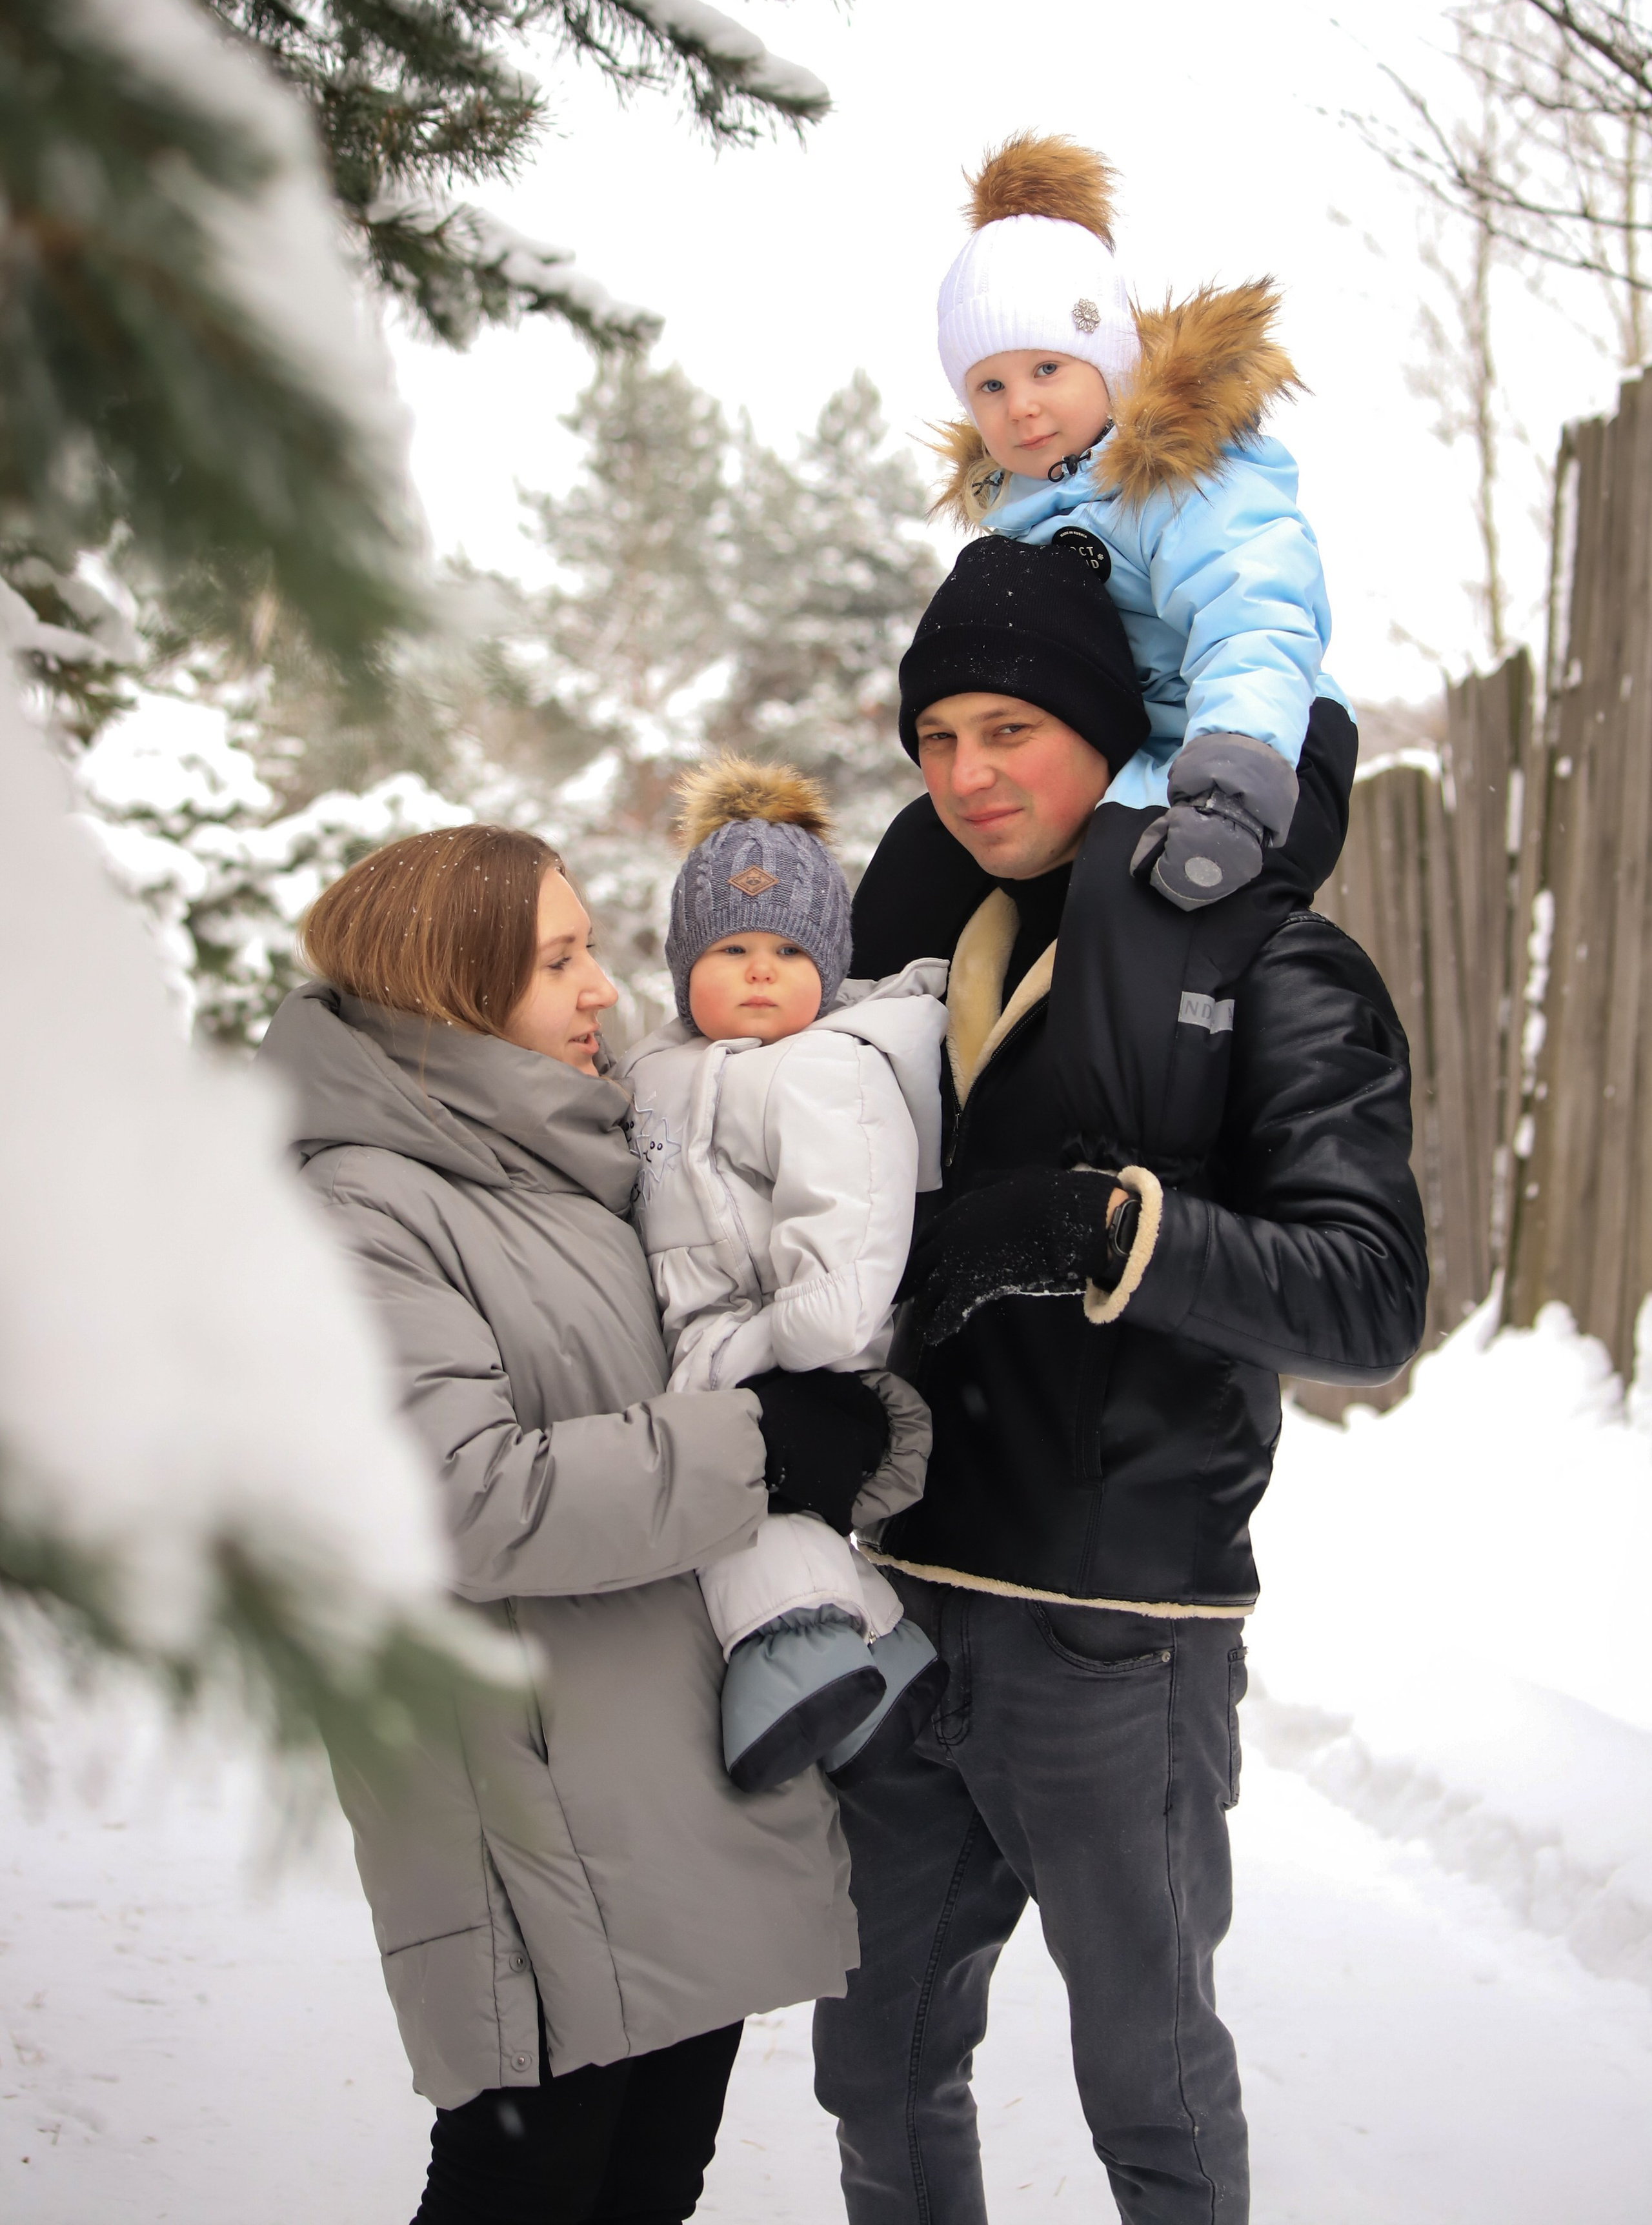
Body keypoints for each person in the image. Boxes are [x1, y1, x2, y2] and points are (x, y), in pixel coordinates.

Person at [811, 545, 1429, 2224]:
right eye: (934, 738)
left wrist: (1106, 1228)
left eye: (1010, 727)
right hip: (905, 1602)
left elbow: (1373, 1298)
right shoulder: (927, 962)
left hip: (1114, 1634)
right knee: (874, 2061)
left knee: (1144, 2092)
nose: (966, 775)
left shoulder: (1278, 969)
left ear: (1111, 733)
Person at [257, 824, 890, 2225]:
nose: (604, 986)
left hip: (666, 1788)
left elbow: (698, 1373)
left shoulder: (585, 1164)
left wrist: (856, 1421)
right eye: (557, 960)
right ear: (452, 989)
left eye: (590, 946)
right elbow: (462, 1500)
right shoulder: (366, 1202)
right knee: (527, 2190)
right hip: (534, 1821)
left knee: (648, 2187)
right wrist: (760, 1446)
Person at [621, 756, 949, 1794]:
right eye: (730, 948)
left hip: (796, 1350)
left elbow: (850, 1235)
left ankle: (795, 1660)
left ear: (830, 961)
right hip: (711, 1335)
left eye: (785, 950)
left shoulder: (829, 1067)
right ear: (683, 970)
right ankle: (881, 1648)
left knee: (741, 1508)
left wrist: (771, 1348)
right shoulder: (657, 1068)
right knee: (729, 1503)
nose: (760, 972)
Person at [931, 128, 1353, 913]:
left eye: (1046, 368)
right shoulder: (1022, 512)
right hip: (1145, 756)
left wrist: (1232, 778)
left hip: (1266, 744)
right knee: (940, 881)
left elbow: (1253, 619)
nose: (1019, 405)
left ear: (1110, 360)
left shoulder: (1183, 479)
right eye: (988, 385)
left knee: (1131, 917)